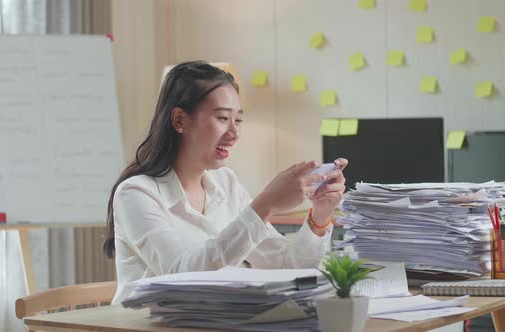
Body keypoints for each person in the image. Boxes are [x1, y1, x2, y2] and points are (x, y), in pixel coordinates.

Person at [104, 61, 348, 304]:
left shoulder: (226, 182)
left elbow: (286, 265)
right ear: (179, 120)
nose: (234, 133)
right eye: (222, 118)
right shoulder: (135, 193)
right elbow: (182, 278)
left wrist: (320, 216)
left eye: (238, 120)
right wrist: (264, 205)